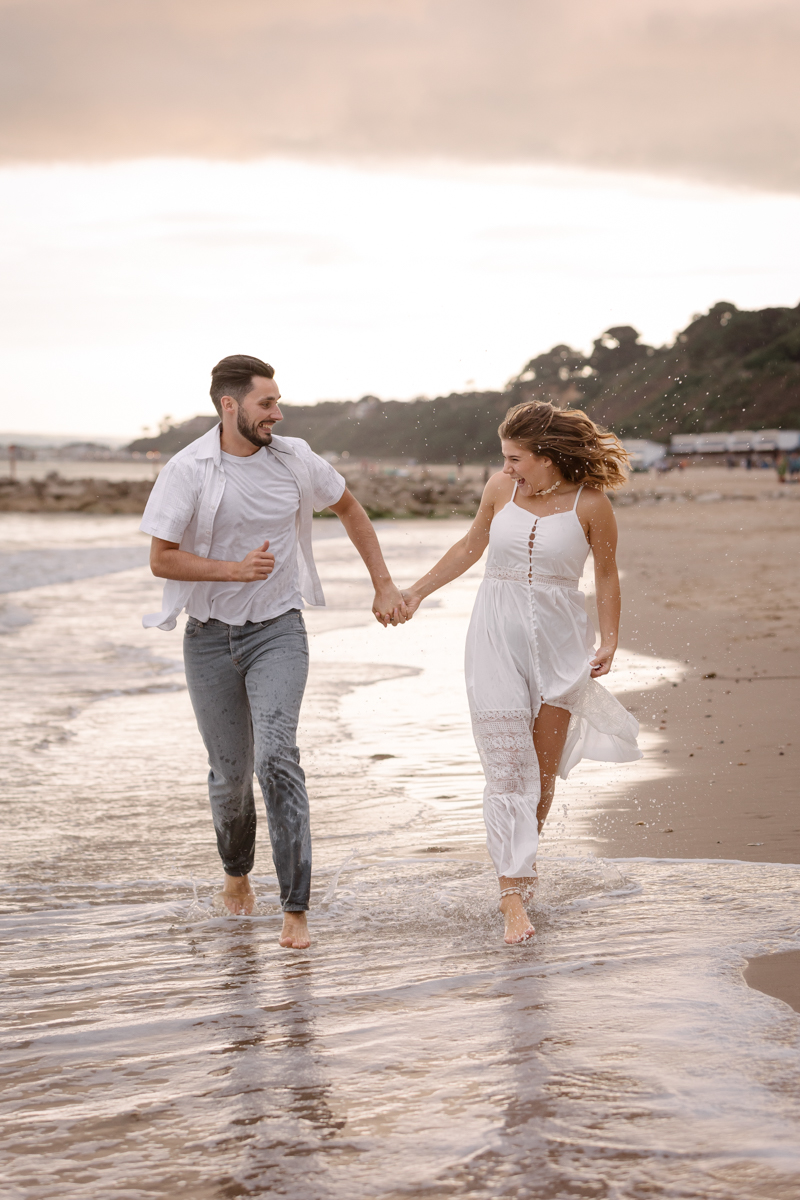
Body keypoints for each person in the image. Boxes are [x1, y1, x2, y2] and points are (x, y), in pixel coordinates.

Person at [140, 355, 407, 948]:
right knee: (229, 778)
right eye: (267, 403)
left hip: (278, 631)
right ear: (229, 405)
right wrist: (231, 572)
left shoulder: (295, 458)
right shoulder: (187, 469)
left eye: (278, 402)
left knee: (277, 759)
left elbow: (350, 509)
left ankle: (295, 910)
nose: (277, 414)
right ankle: (237, 876)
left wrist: (382, 583)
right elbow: (162, 558)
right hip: (208, 639)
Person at [402, 402, 641, 945]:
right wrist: (416, 591)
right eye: (504, 458)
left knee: (540, 774)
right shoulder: (498, 490)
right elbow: (469, 547)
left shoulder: (592, 505)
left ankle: (522, 878)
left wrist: (609, 639)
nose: (507, 467)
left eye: (515, 458)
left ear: (547, 456)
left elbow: (606, 575)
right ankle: (511, 895)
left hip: (560, 645)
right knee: (508, 768)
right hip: (494, 637)